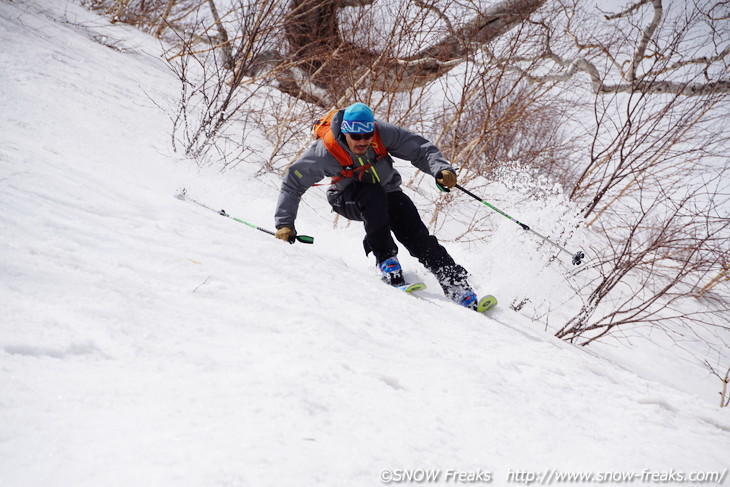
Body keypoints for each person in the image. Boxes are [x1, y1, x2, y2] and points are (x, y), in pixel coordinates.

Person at [274, 102, 481, 309]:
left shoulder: (382, 133)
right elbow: (293, 183)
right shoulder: (325, 151)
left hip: (387, 192)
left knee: (414, 229)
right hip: (346, 198)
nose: (362, 141)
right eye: (356, 137)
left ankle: (455, 282)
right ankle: (386, 261)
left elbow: (420, 149)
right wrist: (285, 224)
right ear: (345, 132)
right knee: (372, 195)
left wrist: (441, 170)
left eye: (367, 136)